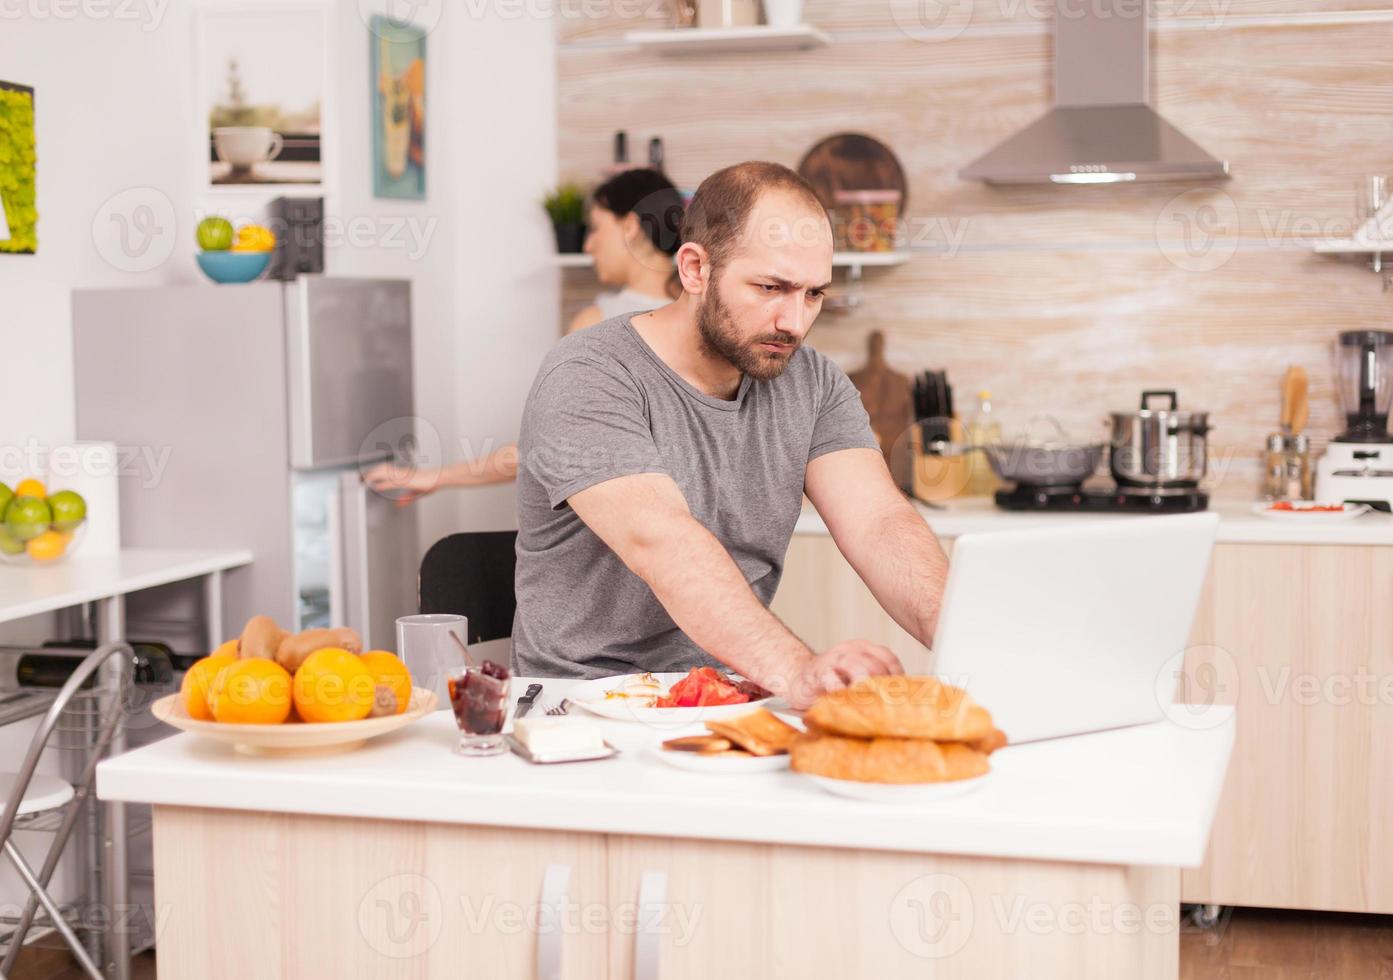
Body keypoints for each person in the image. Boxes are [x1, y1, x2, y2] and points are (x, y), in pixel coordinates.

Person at [512, 161, 950, 709]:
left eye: (814, 294)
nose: (793, 321)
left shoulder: (812, 381)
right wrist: (800, 671)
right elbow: (661, 540)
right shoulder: (590, 373)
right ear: (695, 269)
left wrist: (981, 645)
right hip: (582, 705)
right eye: (770, 287)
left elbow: (879, 524)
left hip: (729, 695)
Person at [363, 168, 685, 504]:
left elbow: (546, 446)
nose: (588, 244)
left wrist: (437, 476)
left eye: (596, 227)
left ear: (630, 227)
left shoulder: (597, 325)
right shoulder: (704, 318)